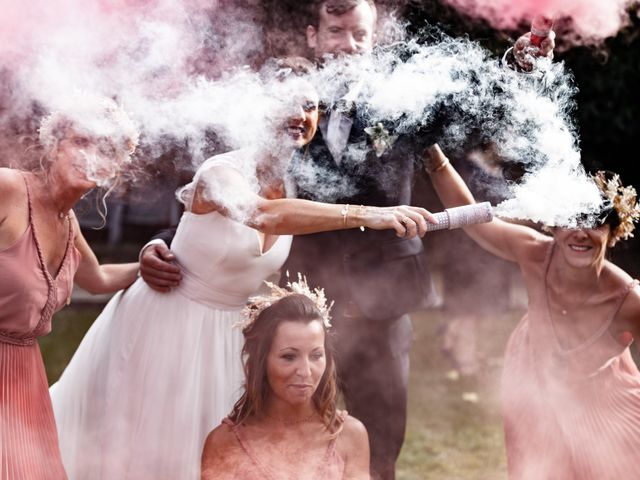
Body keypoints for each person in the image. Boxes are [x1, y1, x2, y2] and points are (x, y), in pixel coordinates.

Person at [140, 2, 556, 478]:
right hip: (302, 308)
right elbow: (231, 191)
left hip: (384, 306)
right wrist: (163, 241)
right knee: (288, 440)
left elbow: (469, 103)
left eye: (360, 34)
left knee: (379, 448)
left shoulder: (403, 102)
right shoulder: (287, 106)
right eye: (338, 32)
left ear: (373, 39)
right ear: (314, 36)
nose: (349, 45)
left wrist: (517, 65)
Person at [50, 57, 435, 480]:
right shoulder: (219, 172)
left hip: (232, 341)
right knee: (155, 455)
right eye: (282, 102)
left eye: (308, 105)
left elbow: (299, 219)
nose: (298, 114)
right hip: (167, 326)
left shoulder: (298, 186)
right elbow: (261, 214)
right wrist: (367, 214)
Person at [425, 143, 640, 479]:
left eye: (595, 221)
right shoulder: (535, 254)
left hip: (604, 399)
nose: (581, 231)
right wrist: (434, 159)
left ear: (612, 232)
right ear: (552, 226)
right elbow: (473, 219)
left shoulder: (630, 300)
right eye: (569, 219)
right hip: (533, 378)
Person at [0, 95, 140, 479]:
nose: (92, 155)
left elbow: (99, 280)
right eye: (82, 141)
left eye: (106, 149)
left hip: (25, 380)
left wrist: (159, 258)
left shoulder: (68, 223)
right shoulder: (8, 188)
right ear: (54, 145)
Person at [201, 277, 370, 480]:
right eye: (289, 357)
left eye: (316, 356)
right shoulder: (224, 442)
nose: (305, 371)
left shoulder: (350, 435)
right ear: (261, 361)